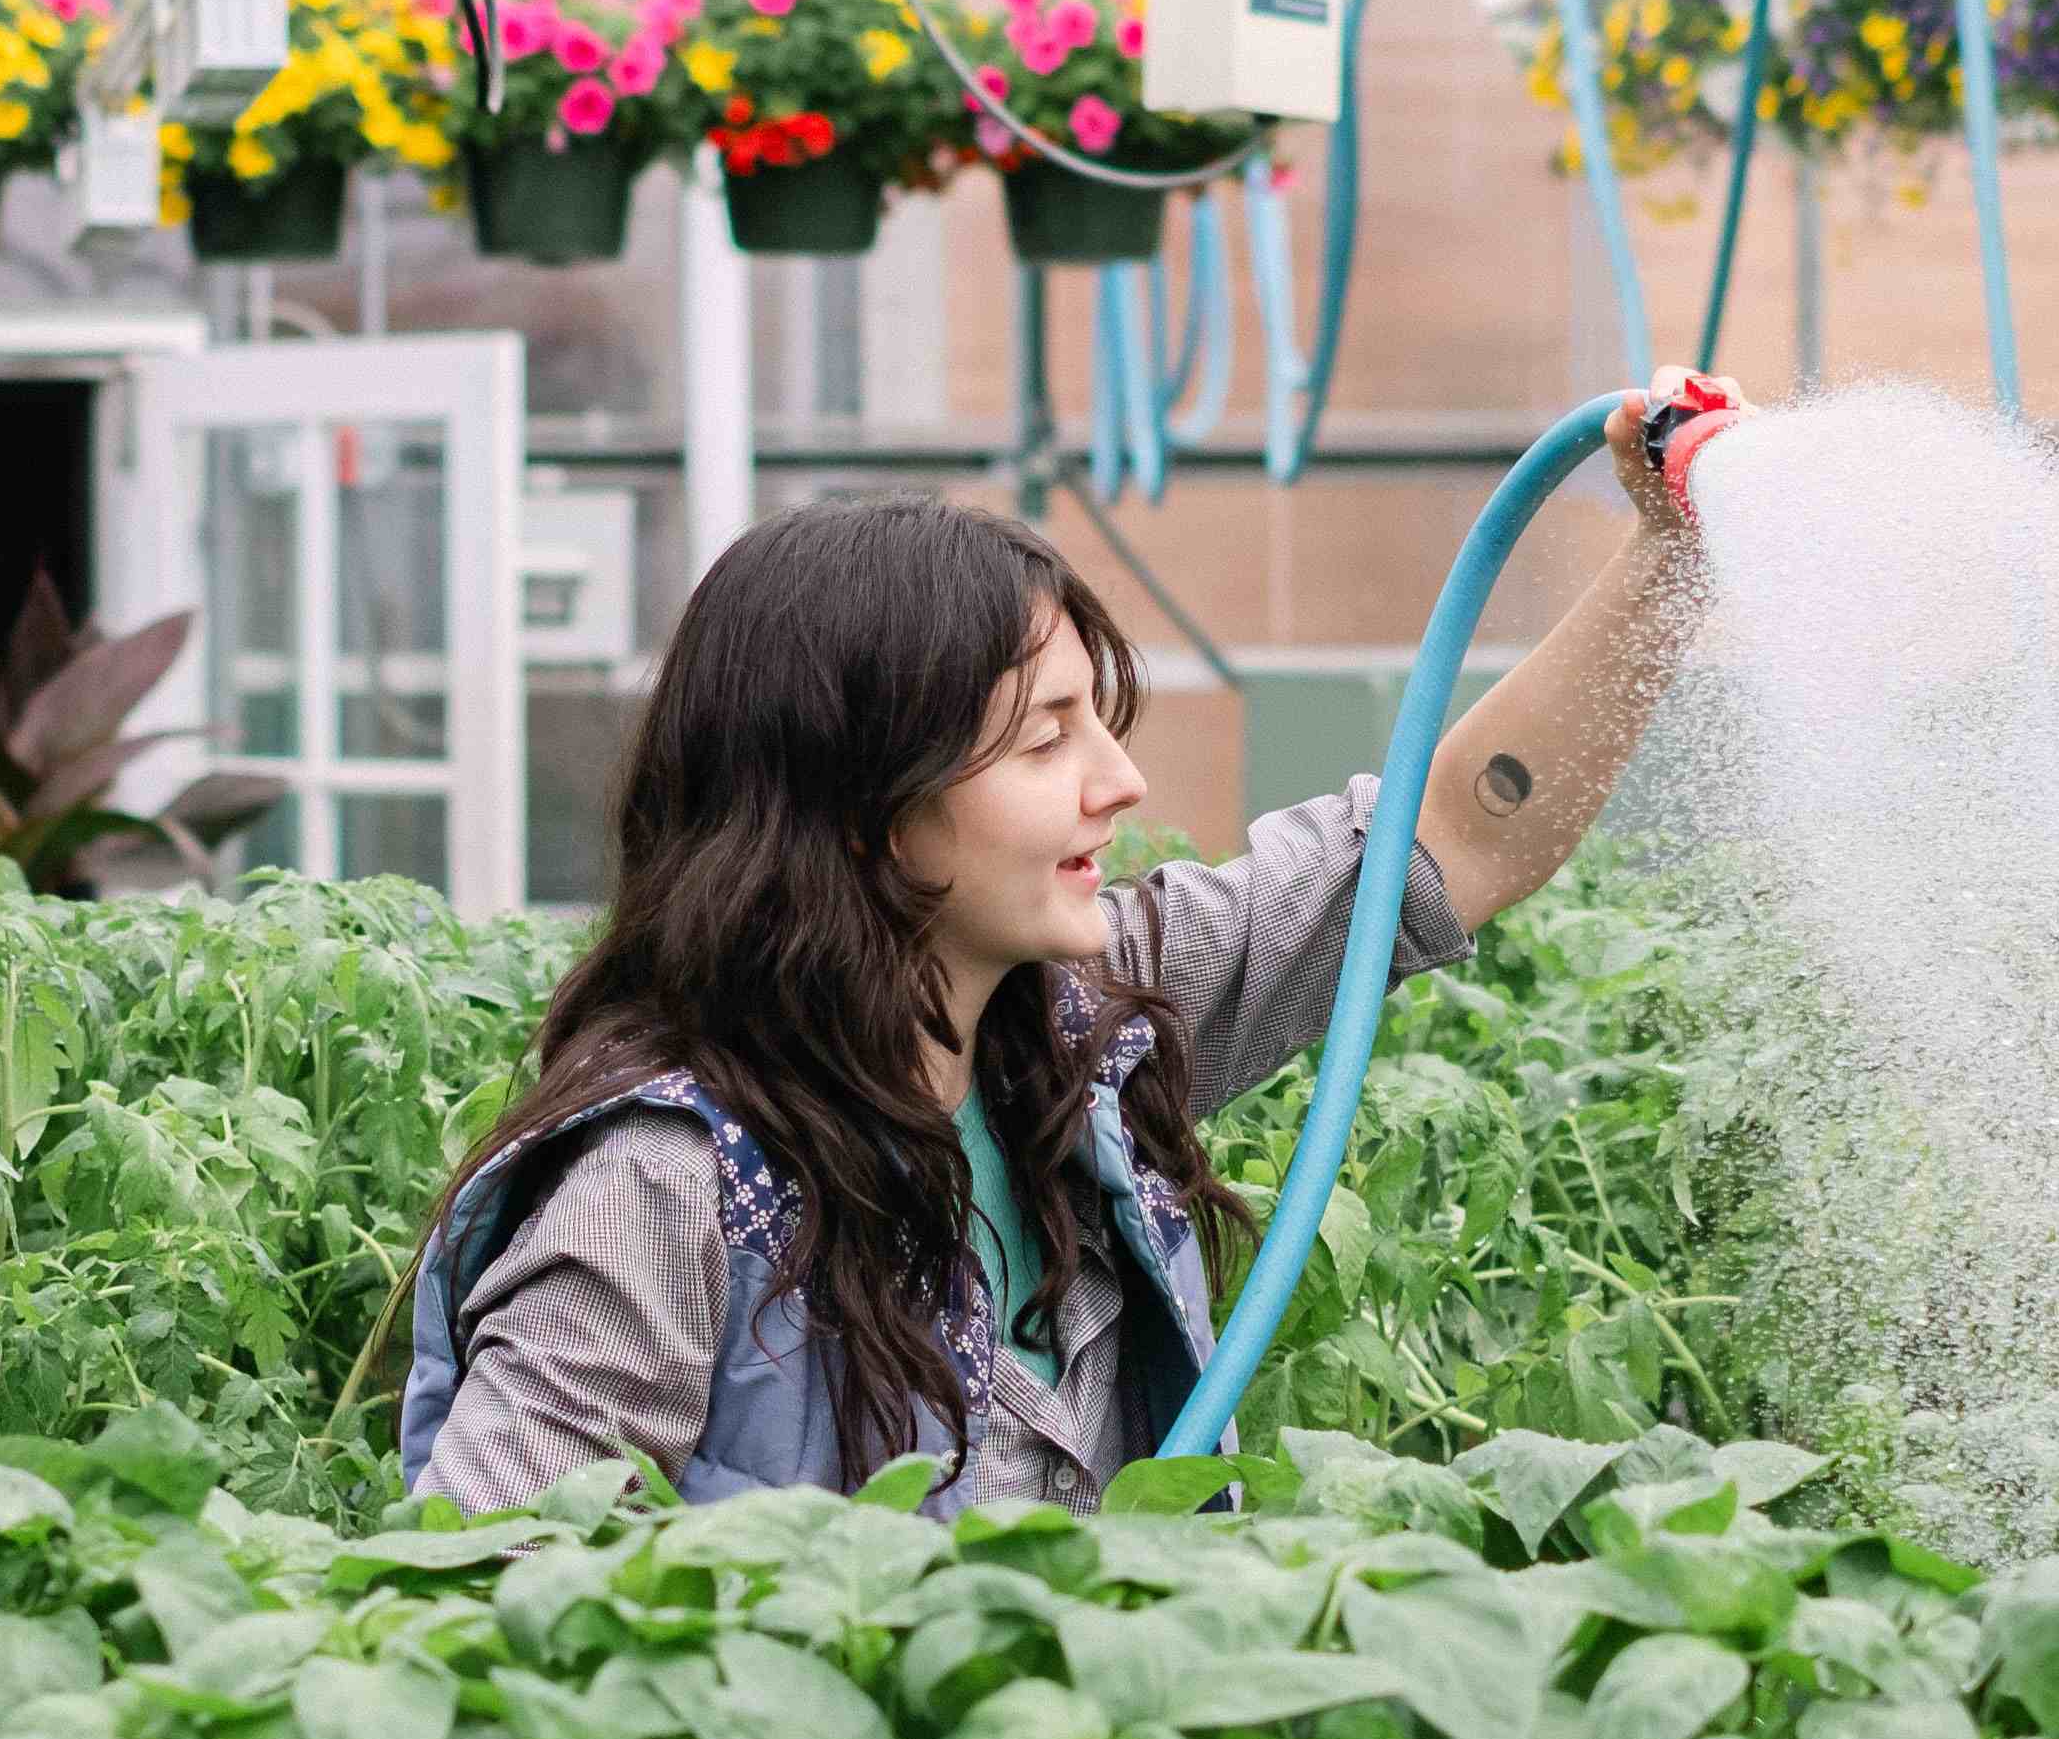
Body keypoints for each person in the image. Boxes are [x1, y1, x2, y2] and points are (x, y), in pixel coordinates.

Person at [398, 364, 1747, 1515]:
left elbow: (1463, 833)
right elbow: (471, 1628)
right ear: (874, 818)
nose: (1121, 783)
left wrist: (1666, 557)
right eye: (1047, 737)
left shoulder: (1083, 1025)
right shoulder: (663, 1191)